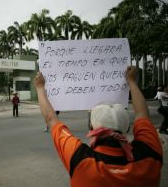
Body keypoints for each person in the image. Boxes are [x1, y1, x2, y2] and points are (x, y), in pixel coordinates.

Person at [34, 66, 163, 187]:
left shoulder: (80, 158)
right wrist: (132, 82)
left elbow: (51, 119)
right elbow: (142, 114)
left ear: (91, 127)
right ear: (127, 128)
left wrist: (40, 88)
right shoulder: (149, 155)